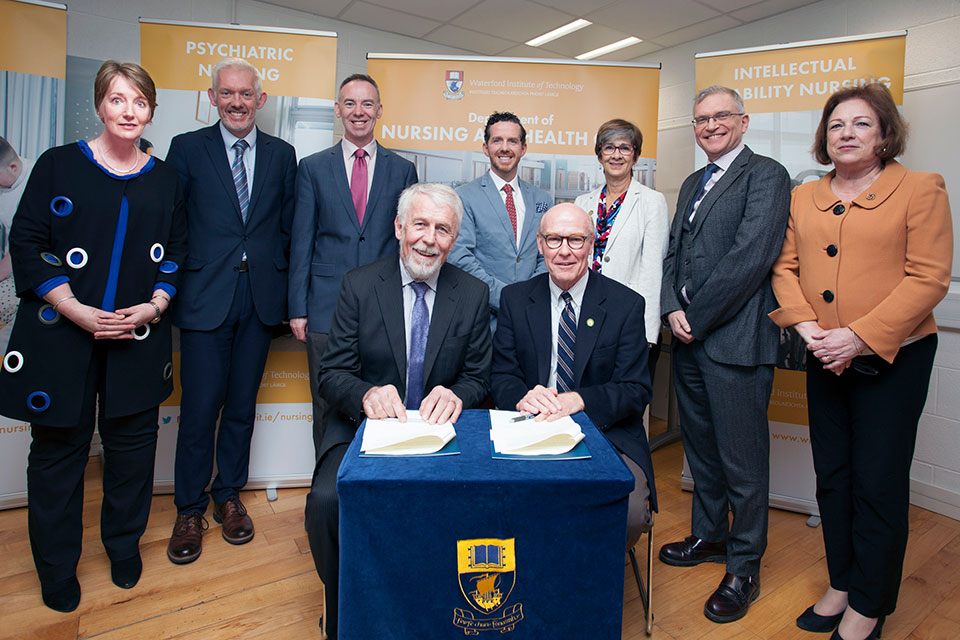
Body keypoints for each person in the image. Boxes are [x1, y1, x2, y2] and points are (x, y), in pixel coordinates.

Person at [0, 61, 186, 612]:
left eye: (140, 103)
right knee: (58, 453)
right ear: (101, 104)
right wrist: (72, 306)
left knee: (132, 452)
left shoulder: (167, 178)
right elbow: (28, 241)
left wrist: (153, 306)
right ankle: (56, 569)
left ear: (151, 110)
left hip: (138, 336)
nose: (129, 112)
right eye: (118, 100)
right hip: (62, 334)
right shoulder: (59, 166)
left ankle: (122, 546)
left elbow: (176, 254)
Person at [770, 83, 952, 640]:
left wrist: (859, 337)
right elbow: (784, 268)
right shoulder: (805, 196)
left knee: (877, 482)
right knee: (835, 479)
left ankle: (869, 603)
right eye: (836, 125)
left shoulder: (921, 189)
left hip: (893, 360)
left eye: (861, 124)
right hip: (824, 355)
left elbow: (929, 278)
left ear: (884, 134)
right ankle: (843, 582)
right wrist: (808, 330)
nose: (845, 134)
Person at [305, 183, 491, 640]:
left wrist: (458, 395)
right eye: (421, 225)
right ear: (399, 227)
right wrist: (366, 394)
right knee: (327, 502)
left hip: (438, 433)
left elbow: (480, 379)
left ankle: (438, 603)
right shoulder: (360, 285)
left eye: (443, 229)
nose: (429, 239)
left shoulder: (472, 293)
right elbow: (332, 375)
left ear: (454, 238)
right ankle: (343, 601)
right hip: (361, 430)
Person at [659, 85, 791, 623]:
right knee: (703, 454)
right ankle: (710, 537)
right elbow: (673, 253)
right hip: (688, 341)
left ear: (743, 121)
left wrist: (698, 316)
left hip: (734, 343)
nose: (710, 125)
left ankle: (744, 566)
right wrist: (671, 309)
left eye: (720, 117)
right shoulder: (693, 181)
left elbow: (751, 257)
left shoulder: (767, 175)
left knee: (743, 461)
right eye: (700, 119)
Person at [165, 57, 297, 565]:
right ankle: (189, 507)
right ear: (213, 97)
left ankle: (228, 496)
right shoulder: (186, 149)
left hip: (259, 300)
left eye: (246, 94)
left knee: (242, 408)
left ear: (260, 100)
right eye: (228, 94)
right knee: (200, 410)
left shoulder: (283, 155)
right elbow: (174, 224)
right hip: (204, 296)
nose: (237, 102)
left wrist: (287, 297)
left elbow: (287, 229)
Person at [490, 203, 656, 551]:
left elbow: (635, 390)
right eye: (554, 239)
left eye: (576, 240)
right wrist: (522, 397)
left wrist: (579, 400)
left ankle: (587, 575)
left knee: (627, 514)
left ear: (592, 244)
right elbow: (502, 375)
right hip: (531, 427)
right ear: (540, 244)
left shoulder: (626, 305)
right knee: (491, 501)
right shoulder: (516, 299)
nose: (564, 251)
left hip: (606, 432)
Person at [288, 73, 417, 460]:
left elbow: (407, 240)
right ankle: (328, 491)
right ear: (338, 110)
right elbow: (302, 239)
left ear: (379, 110)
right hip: (326, 306)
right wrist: (297, 307)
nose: (358, 112)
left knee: (383, 403)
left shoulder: (402, 169)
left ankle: (377, 482)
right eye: (350, 103)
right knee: (328, 403)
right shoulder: (311, 167)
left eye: (366, 104)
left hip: (385, 305)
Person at [574, 119, 669, 381]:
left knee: (623, 402)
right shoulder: (583, 203)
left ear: (635, 155)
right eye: (609, 147)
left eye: (625, 148)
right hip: (587, 315)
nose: (616, 155)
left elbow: (653, 271)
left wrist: (648, 334)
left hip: (629, 321)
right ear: (599, 154)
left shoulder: (652, 202)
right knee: (585, 395)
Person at [451, 111, 553, 326]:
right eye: (497, 140)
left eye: (512, 141)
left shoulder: (542, 199)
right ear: (485, 148)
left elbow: (548, 254)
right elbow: (461, 258)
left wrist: (530, 297)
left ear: (523, 148)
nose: (505, 148)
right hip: (483, 320)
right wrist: (508, 298)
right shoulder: (463, 197)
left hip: (532, 318)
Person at [0, 136, 35, 344]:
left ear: (13, 166)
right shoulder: (4, 185)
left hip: (28, 270)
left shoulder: (37, 181)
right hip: (11, 267)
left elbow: (20, 247)